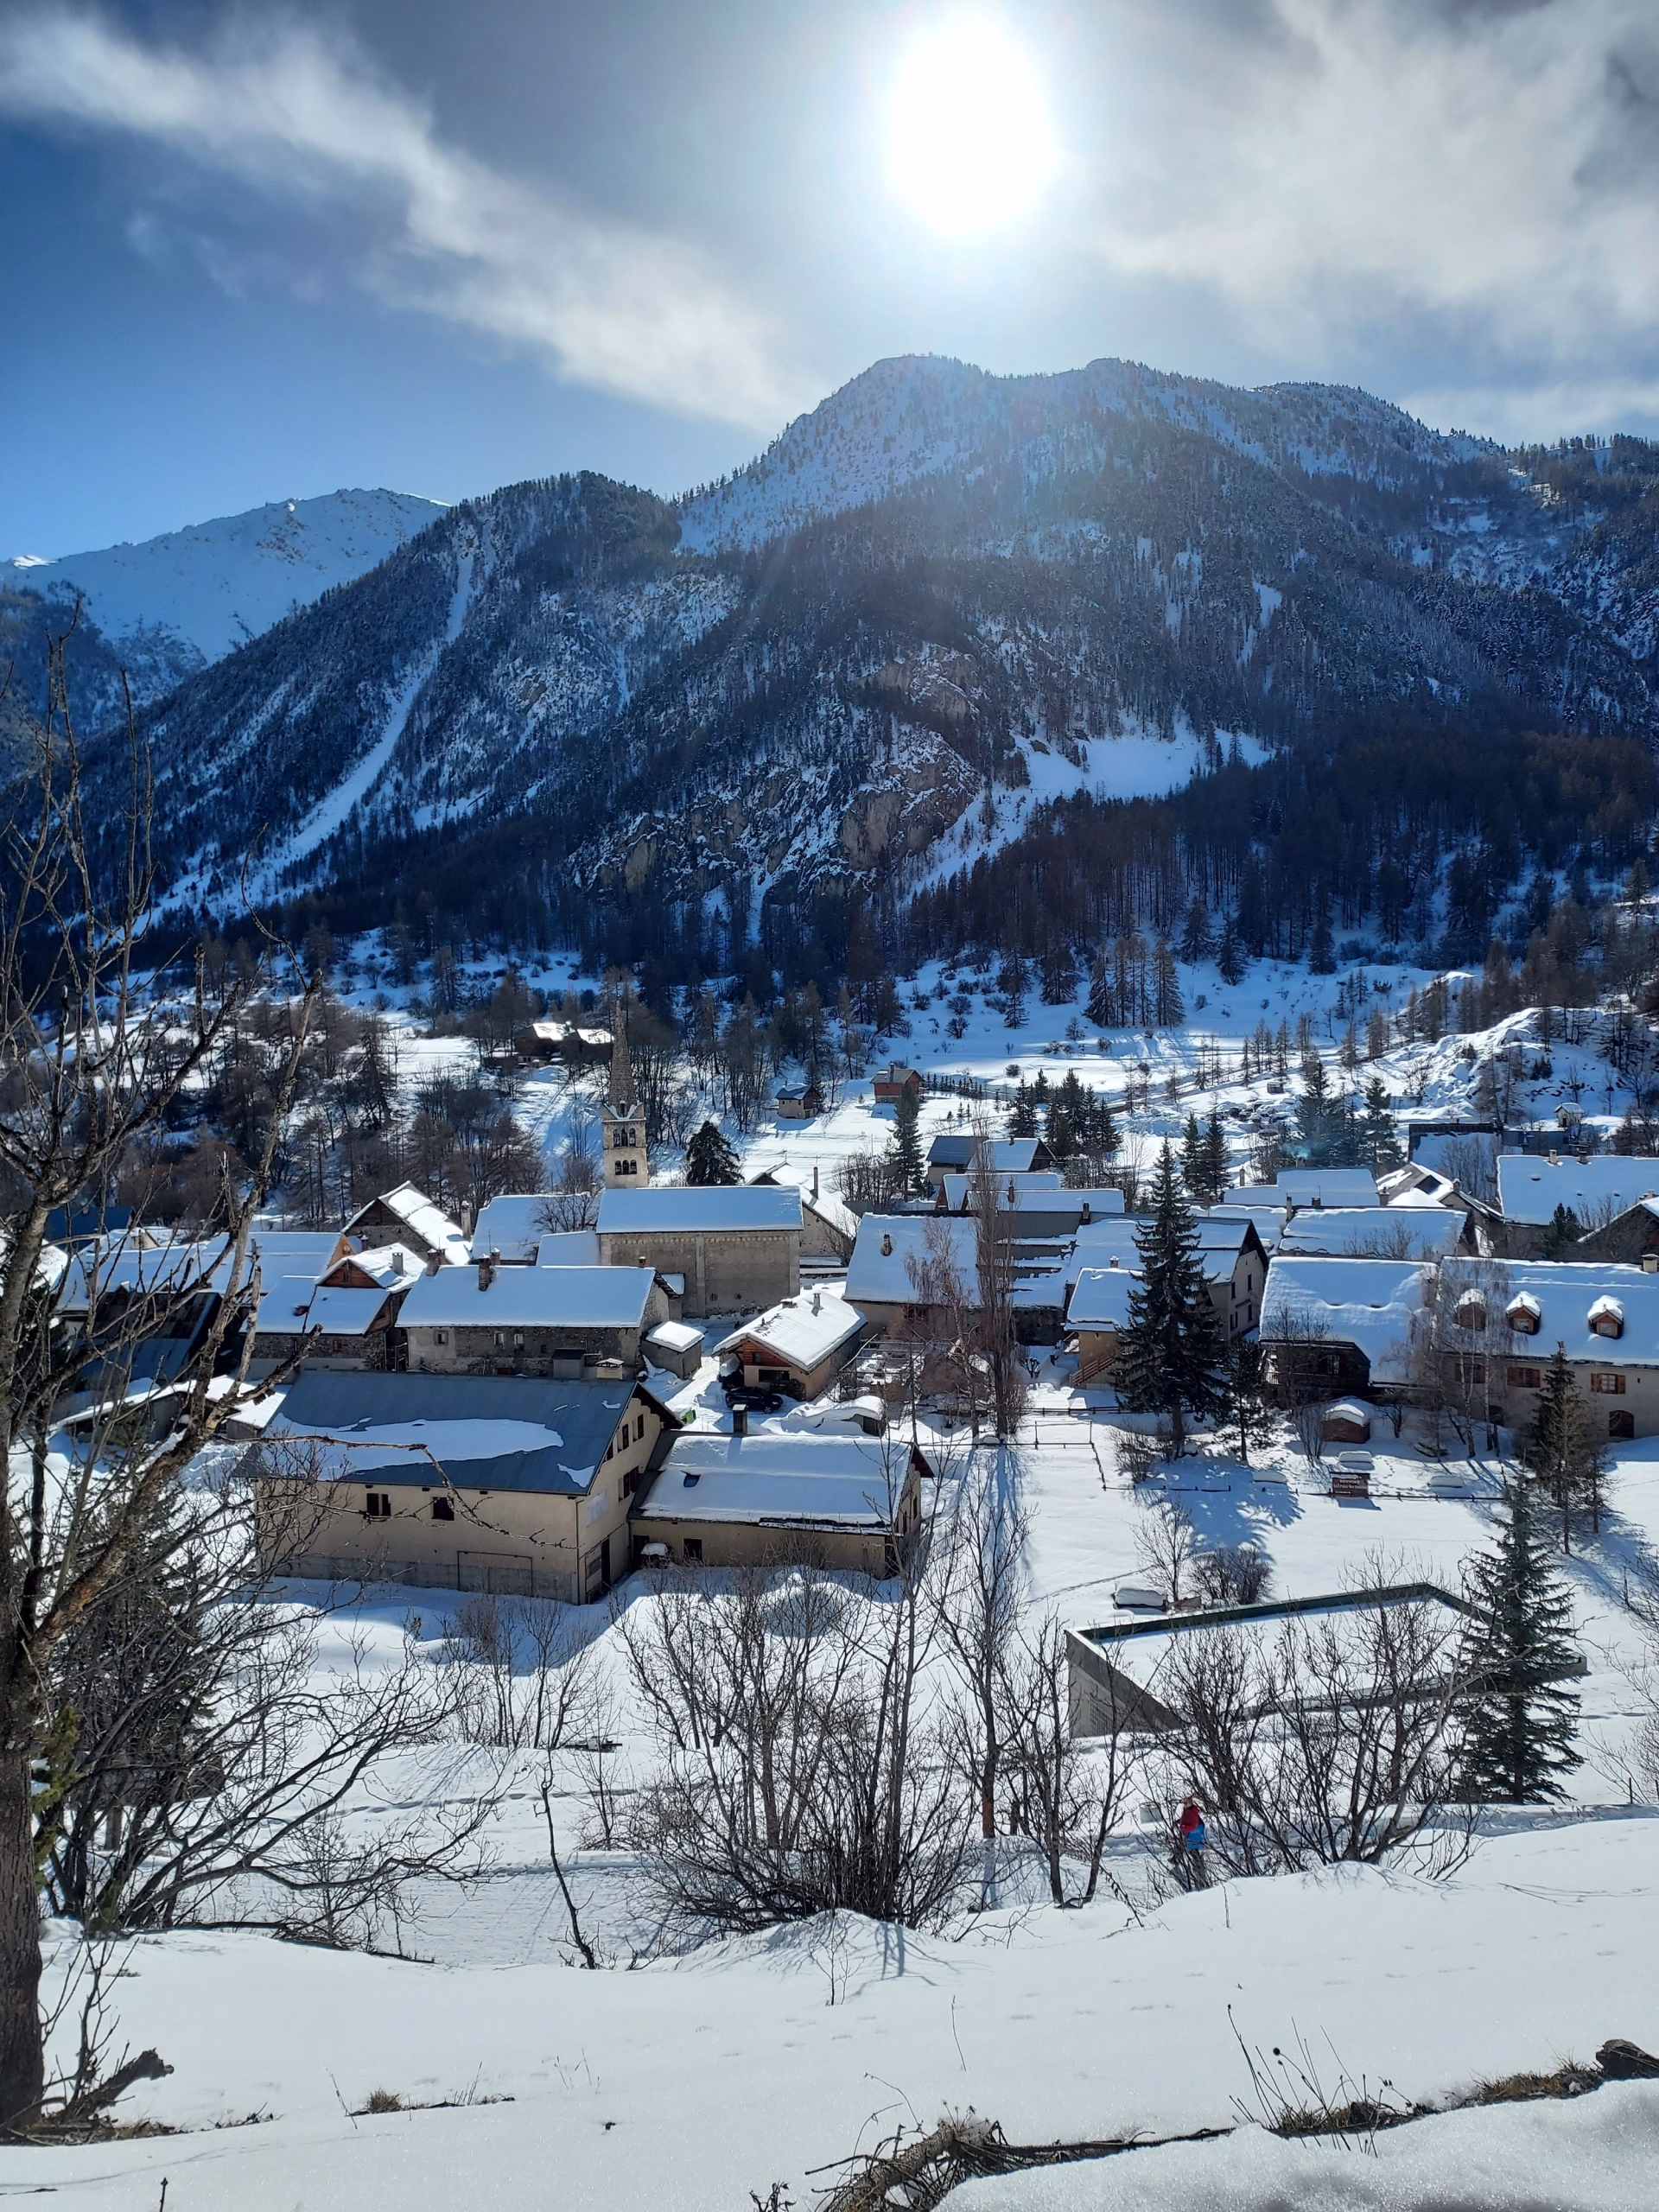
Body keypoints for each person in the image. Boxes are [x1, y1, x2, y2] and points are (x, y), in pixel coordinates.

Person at [1177, 1797, 1207, 1888]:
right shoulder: (1187, 1811)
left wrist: (1183, 1827)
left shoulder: (1193, 1813)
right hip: (1190, 1834)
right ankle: (1176, 1858)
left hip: (1194, 1834)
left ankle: (1199, 1867)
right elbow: (1185, 1820)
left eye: (1186, 1803)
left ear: (1190, 1803)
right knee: (1183, 1845)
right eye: (1184, 1803)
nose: (1184, 1805)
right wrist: (1179, 1822)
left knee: (1193, 1850)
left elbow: (1193, 1826)